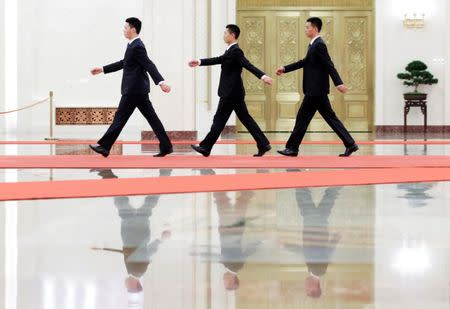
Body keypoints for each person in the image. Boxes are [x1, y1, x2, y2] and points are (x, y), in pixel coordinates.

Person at [89, 17, 173, 158]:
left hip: (133, 90)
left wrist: (161, 82)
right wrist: (102, 69)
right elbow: (124, 63)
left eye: (126, 27)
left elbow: (149, 64)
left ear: (133, 29)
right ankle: (166, 146)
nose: (124, 30)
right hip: (138, 90)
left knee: (120, 118)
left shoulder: (137, 46)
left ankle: (104, 146)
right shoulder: (132, 45)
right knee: (152, 118)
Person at [276, 17, 359, 157]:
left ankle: (292, 148)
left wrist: (338, 83)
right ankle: (350, 144)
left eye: (307, 27)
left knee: (302, 118)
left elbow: (329, 64)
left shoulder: (319, 44)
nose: (305, 29)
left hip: (315, 91)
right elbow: (305, 62)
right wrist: (285, 69)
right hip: (316, 90)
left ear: (314, 28)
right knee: (330, 118)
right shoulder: (313, 45)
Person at [189, 24, 273, 157]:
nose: (223, 35)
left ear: (232, 35)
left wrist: (262, 76)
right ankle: (263, 143)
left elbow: (247, 64)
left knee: (219, 120)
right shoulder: (230, 50)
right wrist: (199, 61)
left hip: (230, 93)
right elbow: (219, 59)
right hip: (234, 92)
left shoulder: (236, 51)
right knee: (245, 119)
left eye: (225, 33)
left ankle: (205, 147)